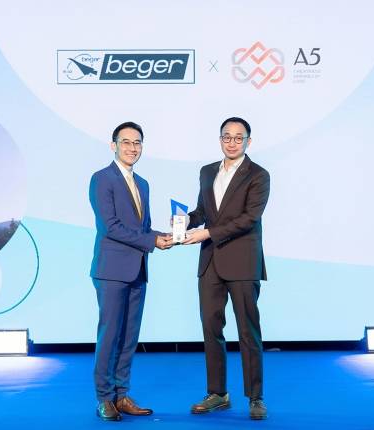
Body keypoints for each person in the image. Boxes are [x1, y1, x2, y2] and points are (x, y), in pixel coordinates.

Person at [183, 117, 270, 420]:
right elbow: (203, 211)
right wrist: (185, 221)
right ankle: (217, 394)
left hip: (243, 261)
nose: (232, 142)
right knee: (211, 329)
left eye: (238, 137)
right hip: (210, 262)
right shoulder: (207, 171)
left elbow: (249, 219)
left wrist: (207, 232)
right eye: (226, 137)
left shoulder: (258, 175)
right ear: (220, 139)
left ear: (248, 141)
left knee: (248, 331)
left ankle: (255, 397)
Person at [89, 121, 173, 421]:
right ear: (113, 145)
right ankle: (104, 398)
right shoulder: (102, 179)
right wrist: (152, 241)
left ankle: (122, 395)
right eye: (126, 142)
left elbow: (142, 228)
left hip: (137, 269)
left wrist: (166, 236)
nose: (132, 148)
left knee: (129, 338)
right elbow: (109, 227)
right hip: (111, 271)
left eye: (137, 142)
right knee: (110, 336)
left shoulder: (143, 184)